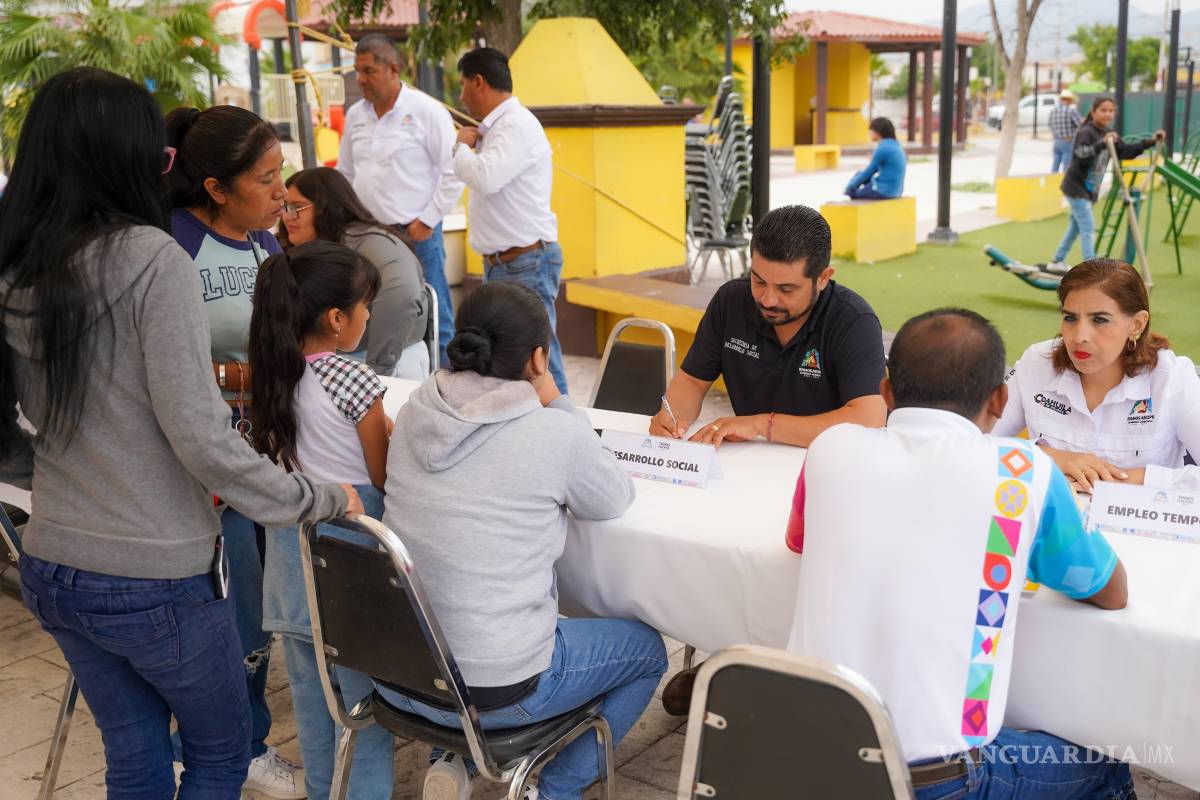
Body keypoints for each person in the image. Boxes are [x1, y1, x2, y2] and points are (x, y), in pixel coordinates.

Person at [0, 67, 359, 800]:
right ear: (125, 160)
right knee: (221, 754)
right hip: (155, 574)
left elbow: (18, 437)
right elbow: (203, 440)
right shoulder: (151, 258)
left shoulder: (21, 266)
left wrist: (81, 478)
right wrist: (320, 498)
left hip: (54, 562)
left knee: (136, 754)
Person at [787, 308, 1132, 799]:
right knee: (1104, 762)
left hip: (804, 757)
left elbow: (800, 541)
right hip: (934, 780)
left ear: (886, 392)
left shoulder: (831, 447)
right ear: (1000, 400)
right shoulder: (1021, 471)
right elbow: (1110, 591)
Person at [377, 282, 667, 800]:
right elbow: (613, 496)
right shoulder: (552, 432)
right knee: (647, 650)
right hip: (498, 693)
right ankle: (553, 791)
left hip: (398, 674)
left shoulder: (417, 409)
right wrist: (558, 402)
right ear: (538, 357)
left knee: (476, 611)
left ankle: (454, 756)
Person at [164, 103, 304, 798]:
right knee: (227, 605)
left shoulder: (265, 246)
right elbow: (160, 359)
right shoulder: (172, 246)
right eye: (266, 179)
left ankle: (240, 739)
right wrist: (231, 375)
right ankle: (221, 745)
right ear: (216, 188)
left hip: (264, 454)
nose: (282, 193)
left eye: (282, 174)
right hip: (200, 464)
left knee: (258, 608)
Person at [248, 241, 397, 800]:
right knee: (364, 708)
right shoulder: (353, 379)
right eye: (365, 307)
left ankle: (320, 791)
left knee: (313, 707)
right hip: (349, 572)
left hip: (291, 572)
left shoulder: (274, 376)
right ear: (337, 318)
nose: (368, 317)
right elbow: (382, 474)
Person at [649, 204, 886, 449]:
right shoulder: (730, 302)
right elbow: (692, 382)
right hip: (751, 460)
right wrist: (673, 418)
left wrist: (762, 425)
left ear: (823, 278)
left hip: (825, 461)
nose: (768, 300)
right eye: (759, 281)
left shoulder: (854, 321)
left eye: (786, 289)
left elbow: (869, 421)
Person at [995, 258, 1200, 492]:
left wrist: (1128, 479)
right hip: (1051, 514)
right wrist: (1052, 458)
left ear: (1137, 324)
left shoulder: (1173, 379)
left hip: (1141, 516)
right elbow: (973, 443)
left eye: (1100, 320)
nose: (1080, 336)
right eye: (1070, 318)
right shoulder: (1036, 363)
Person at [339, 34, 462, 363]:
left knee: (434, 315)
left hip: (416, 234)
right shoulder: (356, 115)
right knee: (375, 313)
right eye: (357, 71)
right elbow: (346, 173)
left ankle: (445, 381)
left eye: (368, 71)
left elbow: (453, 172)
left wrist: (427, 221)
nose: (361, 79)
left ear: (393, 69)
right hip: (368, 236)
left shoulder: (427, 111)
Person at [452, 46, 569, 395]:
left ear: (479, 82)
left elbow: (485, 177)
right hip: (508, 262)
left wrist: (460, 147)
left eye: (462, 85)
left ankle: (566, 421)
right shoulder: (499, 128)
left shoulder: (515, 125)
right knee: (516, 356)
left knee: (539, 355)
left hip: (525, 262)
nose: (460, 96)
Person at [282, 167, 431, 379]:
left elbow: (402, 291)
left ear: (327, 206)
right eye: (285, 207)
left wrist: (379, 370)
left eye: (297, 207)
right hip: (353, 363)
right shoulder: (316, 246)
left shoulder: (367, 241)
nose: (287, 216)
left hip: (388, 363)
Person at [1045, 97, 1163, 272]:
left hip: (1089, 189)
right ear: (1093, 112)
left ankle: (1057, 261)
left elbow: (1126, 151)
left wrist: (1150, 142)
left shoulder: (1109, 133)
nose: (1107, 114)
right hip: (1076, 186)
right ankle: (1091, 268)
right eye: (1103, 110)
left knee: (1075, 228)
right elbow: (1080, 153)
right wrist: (1102, 143)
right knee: (1088, 227)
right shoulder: (1086, 132)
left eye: (1111, 111)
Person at [843, 117, 906, 200]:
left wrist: (849, 187)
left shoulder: (882, 148)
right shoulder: (896, 145)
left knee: (852, 192)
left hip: (884, 192)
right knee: (859, 175)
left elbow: (868, 173)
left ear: (877, 132)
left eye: (870, 130)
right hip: (896, 191)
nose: (869, 133)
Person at [1049, 90, 1083, 174]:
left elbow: (1050, 124)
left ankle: (1052, 180)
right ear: (1069, 100)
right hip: (1068, 140)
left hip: (1056, 141)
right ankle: (1064, 180)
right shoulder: (1071, 111)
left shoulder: (1053, 111)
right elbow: (1080, 124)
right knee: (1066, 165)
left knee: (1055, 164)